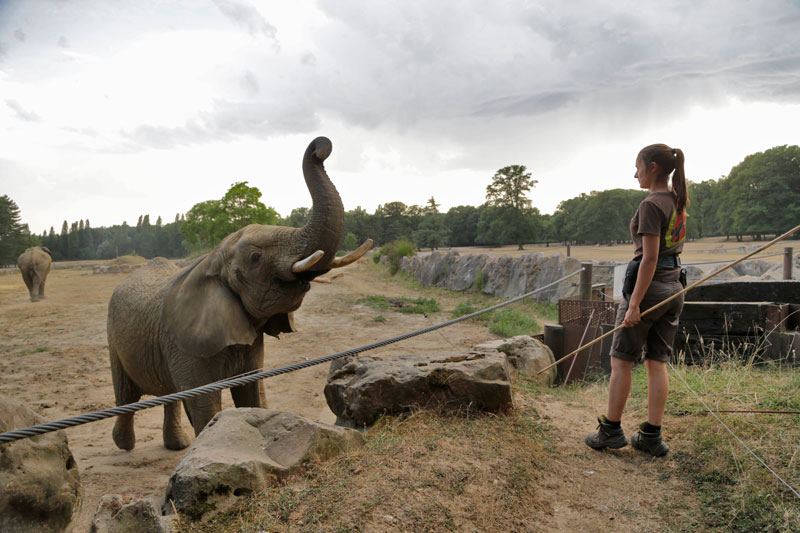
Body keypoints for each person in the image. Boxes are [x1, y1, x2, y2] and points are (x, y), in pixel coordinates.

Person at [585, 143, 688, 457]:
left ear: (653, 167)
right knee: (657, 362)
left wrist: (633, 304)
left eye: (638, 167)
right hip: (675, 287)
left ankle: (611, 430)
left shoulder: (651, 204)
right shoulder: (678, 200)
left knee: (621, 360)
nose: (635, 174)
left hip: (651, 288)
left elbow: (650, 258)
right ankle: (651, 436)